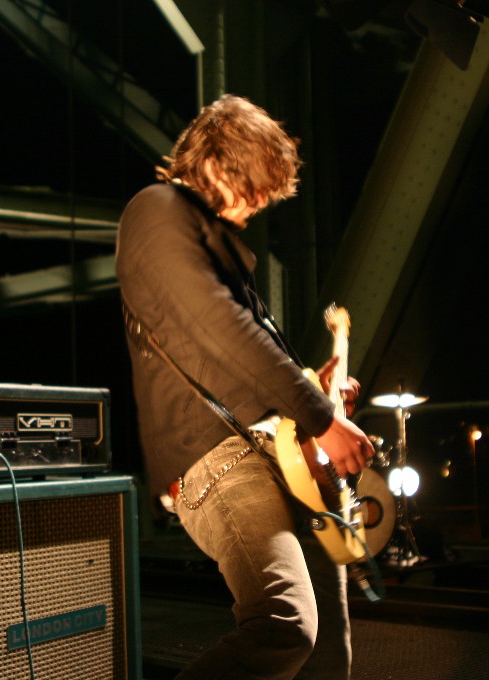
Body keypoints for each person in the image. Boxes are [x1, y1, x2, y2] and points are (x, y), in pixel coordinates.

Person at [115, 94, 375, 679]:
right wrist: (323, 420)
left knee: (328, 647)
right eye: (253, 189)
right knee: (284, 623)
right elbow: (220, 326)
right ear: (215, 162)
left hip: (275, 454)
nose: (256, 206)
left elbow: (236, 353)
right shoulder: (156, 210)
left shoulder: (211, 243)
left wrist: (314, 389)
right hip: (217, 460)